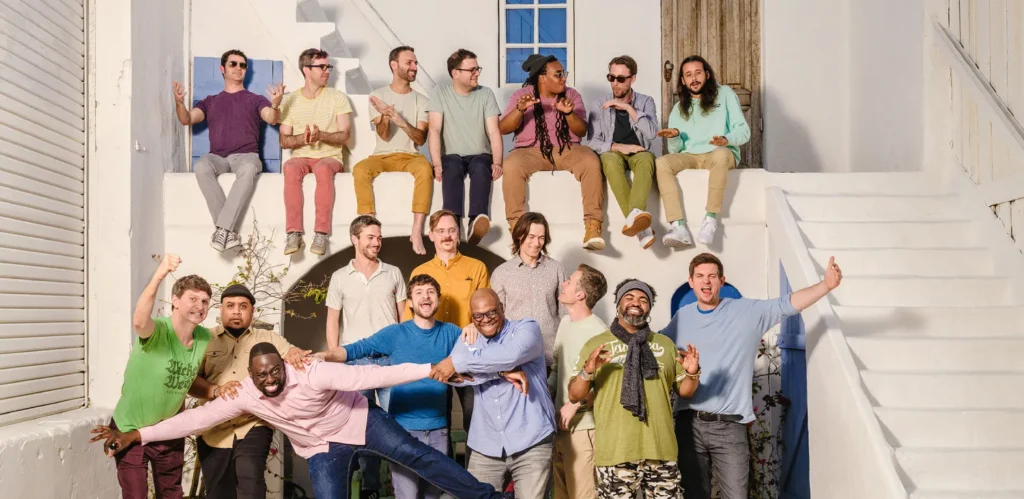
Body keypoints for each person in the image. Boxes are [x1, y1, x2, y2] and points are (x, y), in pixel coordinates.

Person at [91, 344, 506, 499]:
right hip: (320, 447)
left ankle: (488, 498)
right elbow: (195, 420)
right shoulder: (246, 394)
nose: (271, 379)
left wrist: (431, 368)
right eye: (262, 375)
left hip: (359, 420)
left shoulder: (311, 372)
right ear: (251, 376)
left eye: (276, 371)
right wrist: (137, 434)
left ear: (283, 366)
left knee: (418, 456)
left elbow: (371, 376)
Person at [666, 253, 842, 499]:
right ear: (691, 282)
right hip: (689, 425)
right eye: (700, 276)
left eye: (712, 276)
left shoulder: (748, 311)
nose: (706, 281)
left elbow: (787, 303)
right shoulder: (682, 317)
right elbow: (656, 346)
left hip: (730, 426)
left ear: (721, 281)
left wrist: (825, 286)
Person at [318, 274, 463, 499]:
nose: (425, 297)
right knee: (407, 496)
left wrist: (473, 330)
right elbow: (358, 348)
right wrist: (324, 356)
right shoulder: (396, 333)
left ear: (438, 299)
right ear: (410, 302)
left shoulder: (452, 333)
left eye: (431, 292)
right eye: (419, 293)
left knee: (433, 496)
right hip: (403, 432)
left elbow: (479, 355)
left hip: (439, 430)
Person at [568, 279, 700, 499]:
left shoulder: (665, 345)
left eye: (643, 299)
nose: (636, 302)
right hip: (615, 452)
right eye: (629, 297)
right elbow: (574, 395)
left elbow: (686, 391)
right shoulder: (597, 344)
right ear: (618, 304)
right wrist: (587, 371)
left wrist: (693, 373)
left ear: (649, 308)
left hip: (661, 450)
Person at [104, 254, 214, 499]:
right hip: (129, 429)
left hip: (168, 431)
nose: (200, 306)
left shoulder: (204, 337)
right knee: (136, 495)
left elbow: (186, 381)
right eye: (193, 299)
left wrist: (214, 390)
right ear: (175, 300)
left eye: (205, 301)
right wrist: (160, 273)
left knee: (171, 494)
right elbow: (139, 321)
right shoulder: (158, 330)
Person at [430, 289, 556, 499]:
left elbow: (510, 355)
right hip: (486, 444)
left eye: (491, 312)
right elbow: (453, 377)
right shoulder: (468, 338)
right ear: (472, 317)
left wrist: (459, 362)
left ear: (502, 308)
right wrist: (500, 373)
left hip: (531, 440)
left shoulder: (527, 329)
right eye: (478, 316)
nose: (485, 319)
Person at [190, 284, 312, 499]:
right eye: (230, 306)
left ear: (252, 311)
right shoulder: (203, 339)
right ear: (221, 309)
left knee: (251, 480)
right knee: (218, 492)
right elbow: (191, 383)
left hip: (253, 423)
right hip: (213, 429)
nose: (236, 311)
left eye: (243, 306)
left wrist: (294, 353)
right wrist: (216, 390)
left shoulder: (269, 338)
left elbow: (290, 352)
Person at [324, 214, 406, 498]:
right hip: (354, 363)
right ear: (354, 239)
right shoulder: (339, 277)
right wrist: (335, 361)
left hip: (389, 361)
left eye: (379, 237)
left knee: (396, 424)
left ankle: (400, 487)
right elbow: (332, 321)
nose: (376, 242)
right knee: (360, 425)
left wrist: (404, 356)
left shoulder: (393, 273)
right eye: (370, 237)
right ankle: (370, 487)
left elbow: (404, 318)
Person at [175, 49, 284, 252]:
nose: (238, 68)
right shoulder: (210, 100)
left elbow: (271, 118)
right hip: (218, 157)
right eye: (233, 64)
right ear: (222, 69)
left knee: (249, 169)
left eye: (243, 65)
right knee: (201, 166)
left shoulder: (255, 99)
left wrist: (276, 105)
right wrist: (179, 103)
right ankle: (228, 231)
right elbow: (186, 119)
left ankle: (222, 230)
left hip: (246, 156)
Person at [499, 54, 605, 250]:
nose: (563, 78)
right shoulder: (521, 95)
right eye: (558, 74)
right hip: (530, 151)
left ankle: (593, 227)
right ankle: (518, 230)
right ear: (542, 77)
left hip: (567, 149)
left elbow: (582, 131)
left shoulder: (571, 95)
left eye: (564, 73)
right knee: (512, 164)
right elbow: (503, 128)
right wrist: (520, 110)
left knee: (590, 160)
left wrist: (568, 113)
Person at [407, 209, 490, 444]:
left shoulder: (477, 268)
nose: (447, 236)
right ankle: (443, 468)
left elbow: (487, 310)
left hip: (469, 355)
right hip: (432, 356)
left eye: (452, 230)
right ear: (431, 235)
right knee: (437, 424)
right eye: (441, 231)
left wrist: (475, 324)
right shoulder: (419, 272)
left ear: (458, 234)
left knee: (475, 421)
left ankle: (475, 468)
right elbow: (409, 320)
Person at [655, 55, 750, 247]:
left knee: (721, 154)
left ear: (707, 74)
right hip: (691, 157)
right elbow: (675, 150)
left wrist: (726, 139)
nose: (694, 78)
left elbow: (744, 131)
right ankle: (678, 227)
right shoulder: (678, 109)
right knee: (661, 163)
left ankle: (710, 219)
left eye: (698, 73)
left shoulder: (725, 93)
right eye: (688, 75)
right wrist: (674, 137)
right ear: (683, 80)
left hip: (719, 153)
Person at [354, 46, 432, 255]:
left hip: (411, 156)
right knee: (360, 169)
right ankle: (369, 227)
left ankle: (416, 230)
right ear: (394, 65)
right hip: (382, 156)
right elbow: (384, 136)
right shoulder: (378, 95)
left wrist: (401, 120)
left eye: (415, 63)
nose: (414, 67)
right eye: (409, 63)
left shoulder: (422, 100)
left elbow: (421, 139)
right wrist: (386, 116)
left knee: (425, 169)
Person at [279, 48, 354, 256]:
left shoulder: (338, 97)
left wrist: (321, 135)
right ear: (306, 70)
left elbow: (345, 135)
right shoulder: (290, 100)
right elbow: (284, 140)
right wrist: (303, 139)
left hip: (330, 157)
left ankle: (321, 233)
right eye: (322, 67)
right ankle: (293, 233)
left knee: (323, 169)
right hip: (301, 157)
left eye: (328, 67)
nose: (327, 71)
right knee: (290, 167)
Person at [427, 49, 503, 245]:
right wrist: (436, 163)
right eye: (472, 70)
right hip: (452, 155)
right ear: (455, 73)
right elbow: (434, 130)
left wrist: (497, 162)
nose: (477, 73)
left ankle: (476, 222)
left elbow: (494, 131)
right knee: (451, 166)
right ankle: (453, 223)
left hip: (480, 154)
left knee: (481, 166)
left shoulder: (486, 94)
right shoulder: (440, 93)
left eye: (478, 69)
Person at [587, 55, 659, 249]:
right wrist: (619, 147)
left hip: (640, 151)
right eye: (611, 77)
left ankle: (635, 220)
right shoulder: (598, 105)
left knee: (646, 160)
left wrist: (629, 109)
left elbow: (651, 133)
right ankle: (642, 228)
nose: (615, 83)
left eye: (621, 79)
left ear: (632, 79)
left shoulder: (646, 101)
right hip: (613, 151)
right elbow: (592, 141)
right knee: (609, 161)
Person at [550, 264, 609, 499]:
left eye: (570, 281)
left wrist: (575, 404)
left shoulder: (599, 332)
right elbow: (557, 368)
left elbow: (605, 385)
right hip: (559, 427)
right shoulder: (565, 323)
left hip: (585, 430)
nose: (563, 283)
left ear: (581, 295)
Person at [491, 212, 566, 368]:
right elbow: (497, 319)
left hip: (551, 357)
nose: (536, 243)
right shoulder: (501, 273)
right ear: (520, 235)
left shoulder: (556, 269)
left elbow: (565, 313)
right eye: (531, 237)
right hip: (516, 357)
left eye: (541, 238)